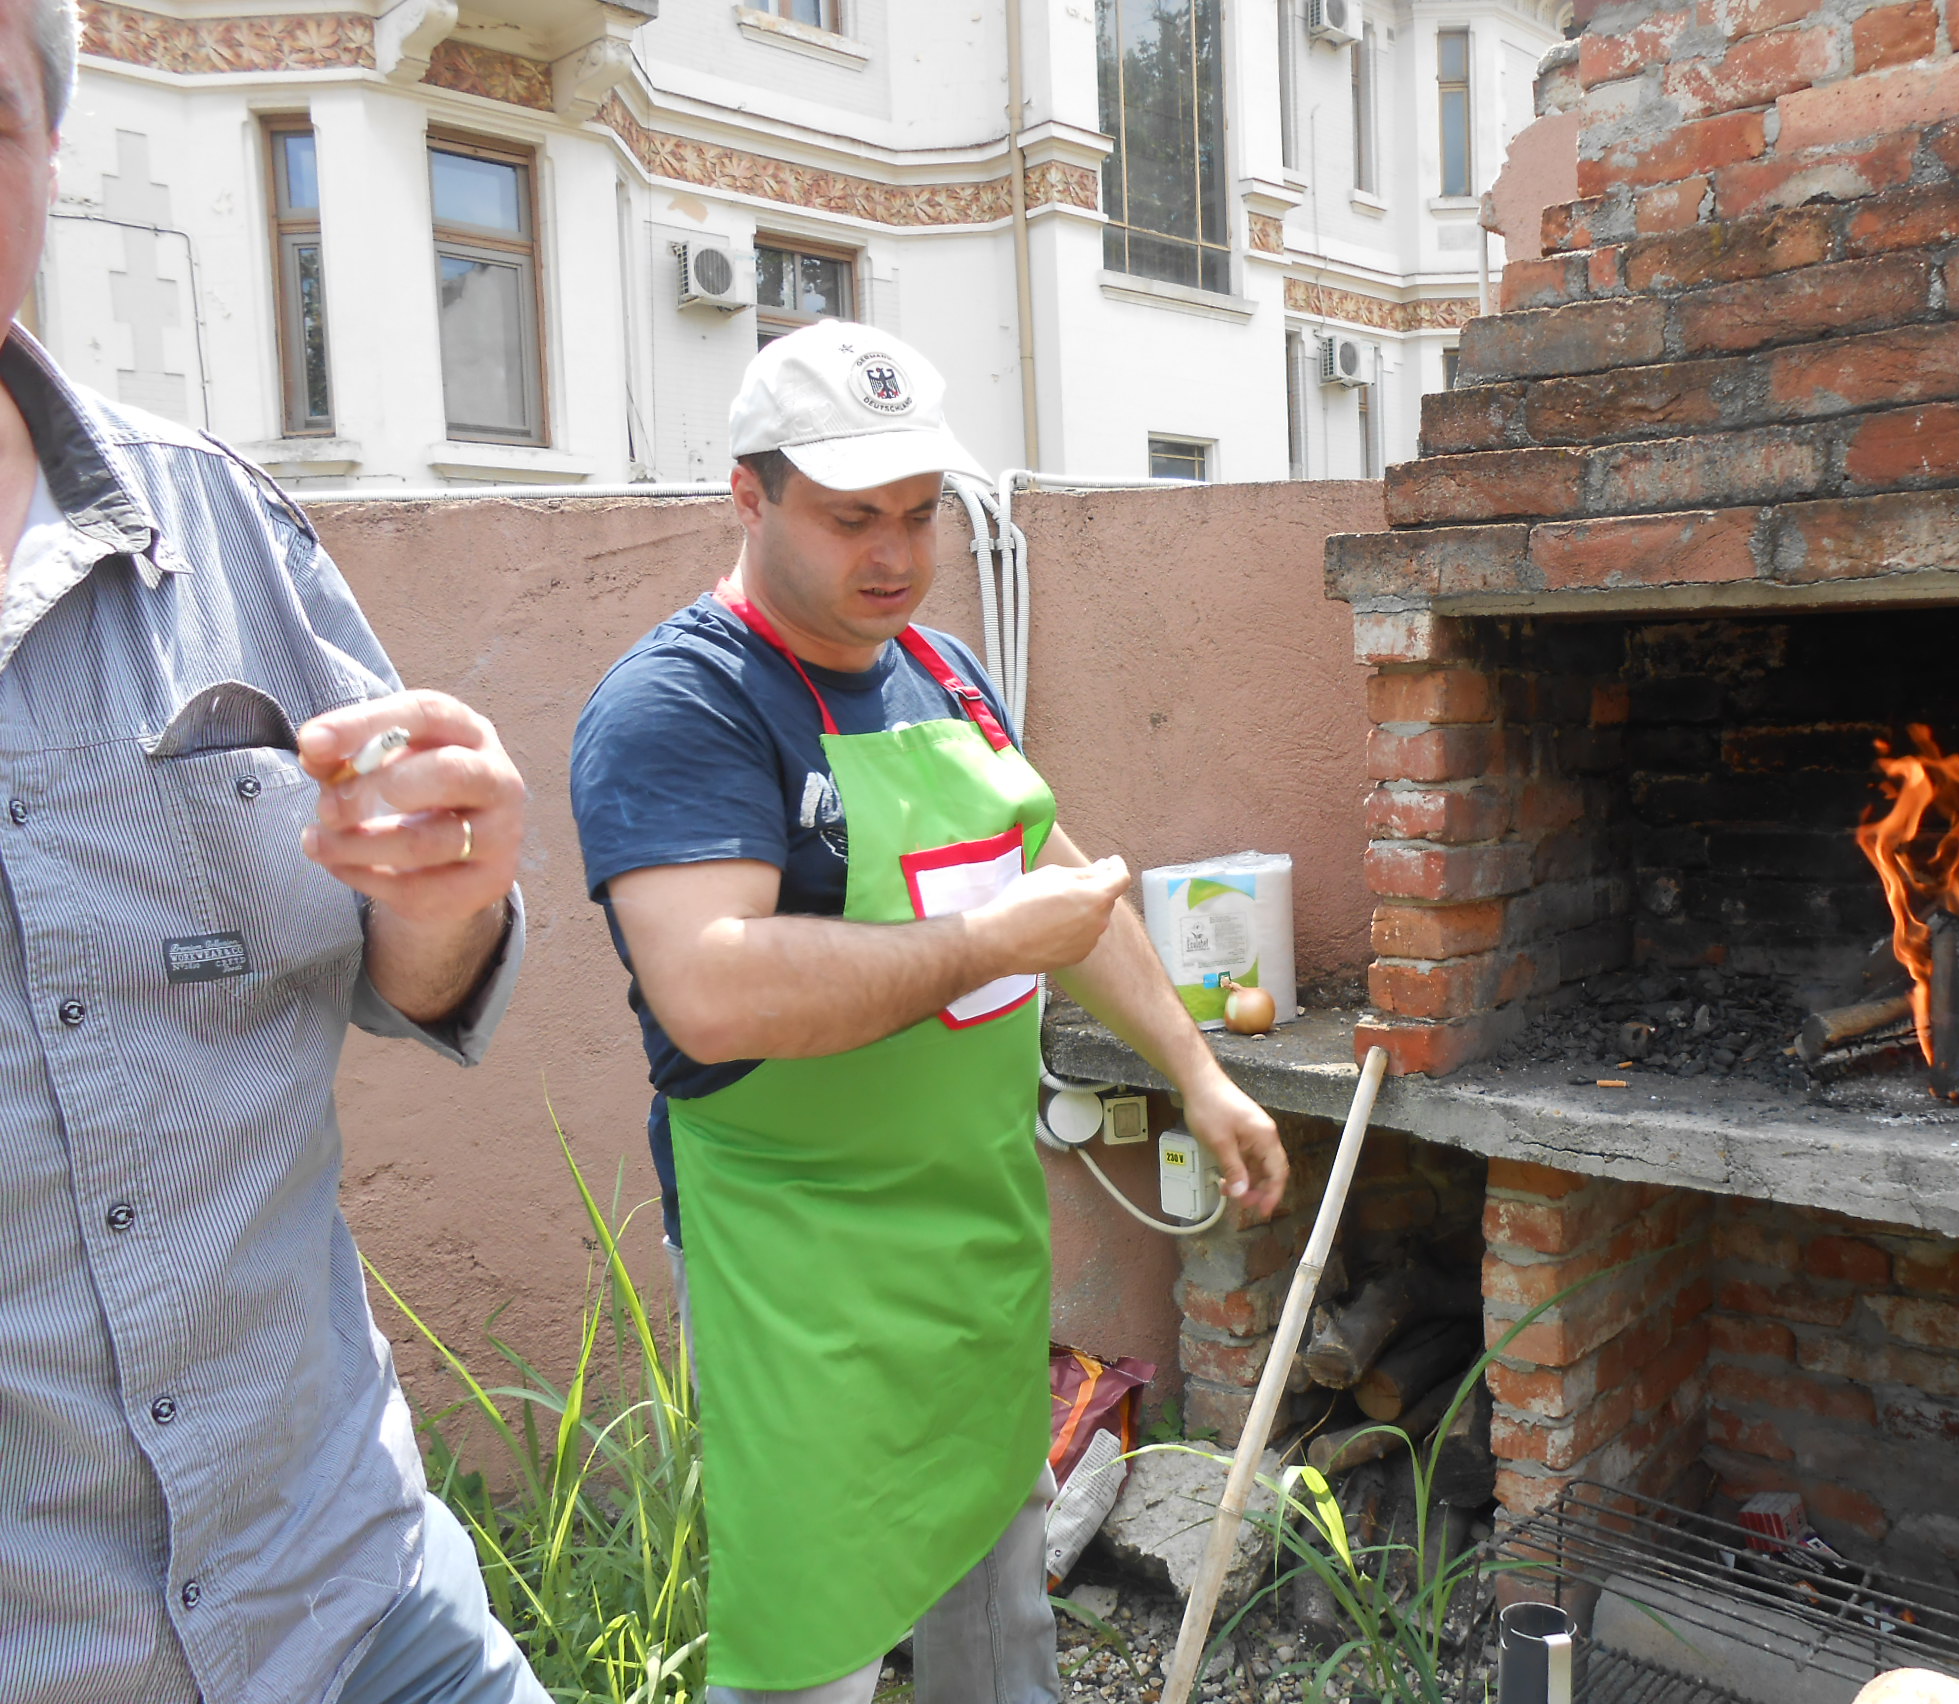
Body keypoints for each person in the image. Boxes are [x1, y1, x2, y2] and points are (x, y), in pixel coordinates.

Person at [569, 322, 1290, 1702]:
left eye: (919, 514)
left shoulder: (948, 674)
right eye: (851, 519)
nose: (895, 554)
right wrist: (977, 942)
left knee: (998, 1578)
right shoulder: (687, 703)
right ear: (748, 493)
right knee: (815, 1641)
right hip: (800, 1265)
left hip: (975, 1241)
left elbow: (1070, 895)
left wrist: (1197, 1071)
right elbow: (711, 989)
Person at [0, 2, 548, 1699]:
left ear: (49, 158)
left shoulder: (219, 531)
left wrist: (447, 900)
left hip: (362, 1604)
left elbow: (418, 970)